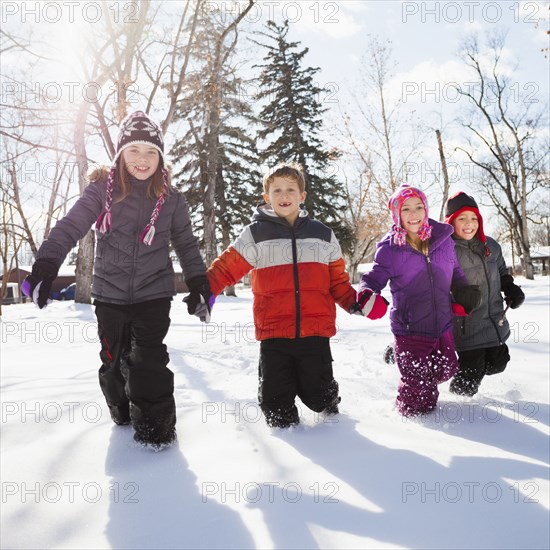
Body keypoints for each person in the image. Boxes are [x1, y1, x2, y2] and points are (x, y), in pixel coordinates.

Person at [22, 111, 211, 450]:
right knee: (113, 361)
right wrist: (47, 264)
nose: (143, 159)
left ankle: (157, 433)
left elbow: (186, 244)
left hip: (154, 294)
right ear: (121, 154)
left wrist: (199, 283)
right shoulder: (101, 191)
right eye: (134, 151)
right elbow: (71, 225)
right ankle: (122, 410)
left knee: (149, 359)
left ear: (161, 158)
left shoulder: (172, 199)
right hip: (109, 295)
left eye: (151, 152)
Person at [206, 163, 358, 428]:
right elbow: (226, 267)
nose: (284, 195)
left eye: (290, 189)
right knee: (276, 403)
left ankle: (328, 401)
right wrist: (204, 290)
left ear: (302, 195)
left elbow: (338, 282)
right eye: (277, 190)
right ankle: (287, 439)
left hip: (315, 332)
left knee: (319, 396)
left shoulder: (322, 235)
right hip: (274, 332)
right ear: (267, 197)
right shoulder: (256, 234)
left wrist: (357, 302)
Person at [357, 185, 481, 416]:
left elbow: (456, 271)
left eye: (418, 207)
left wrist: (464, 290)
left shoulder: (444, 239)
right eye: (406, 209)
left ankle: (418, 378)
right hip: (410, 328)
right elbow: (373, 279)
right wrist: (367, 293)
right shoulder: (390, 249)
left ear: (426, 209)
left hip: (442, 323)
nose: (413, 214)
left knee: (448, 368)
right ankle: (409, 423)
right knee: (419, 395)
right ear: (397, 214)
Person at [444, 191, 525, 397]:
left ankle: (461, 376)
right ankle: (458, 404)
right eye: (461, 218)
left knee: (498, 364)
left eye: (473, 218)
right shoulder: (446, 251)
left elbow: (502, 273)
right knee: (472, 373)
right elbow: (437, 285)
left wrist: (511, 289)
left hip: (494, 321)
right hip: (466, 325)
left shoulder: (491, 246)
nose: (468, 223)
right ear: (450, 222)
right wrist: (457, 296)